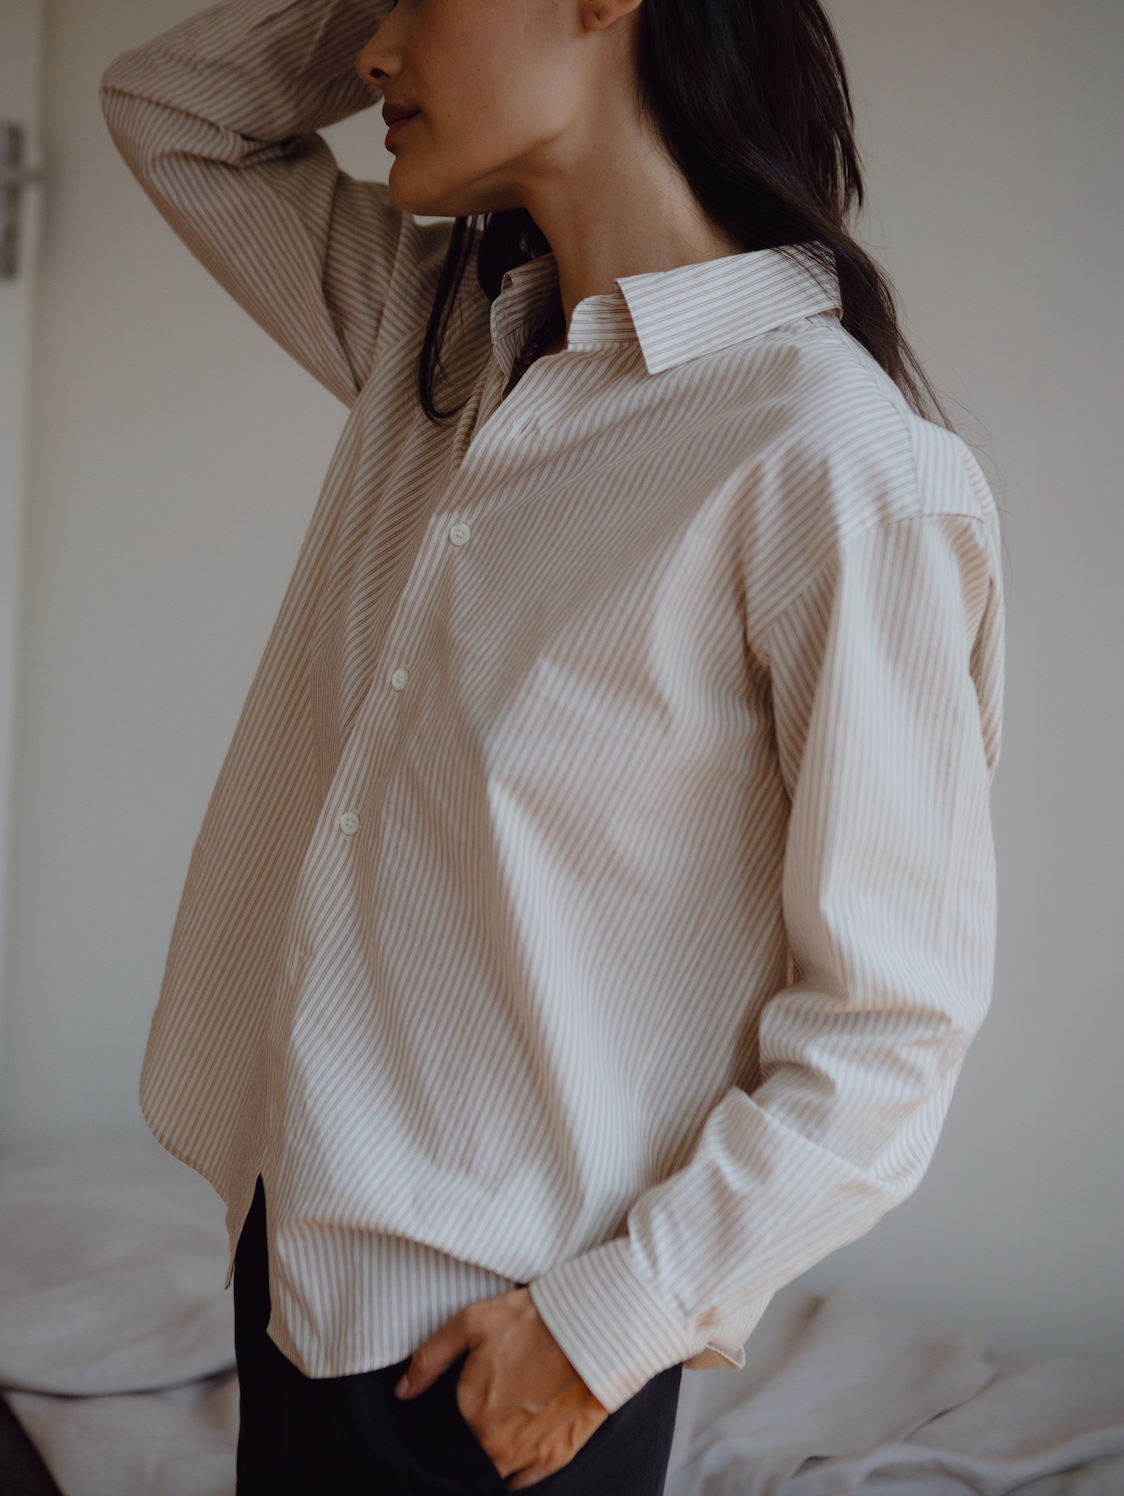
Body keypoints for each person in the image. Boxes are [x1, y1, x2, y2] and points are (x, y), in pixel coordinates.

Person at [101, 0, 1003, 1490]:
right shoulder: (440, 339)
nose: (373, 53)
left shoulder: (830, 462)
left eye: (408, 2)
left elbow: (893, 1022)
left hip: (504, 1354)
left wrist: (601, 1330)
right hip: (294, 1257)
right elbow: (173, 110)